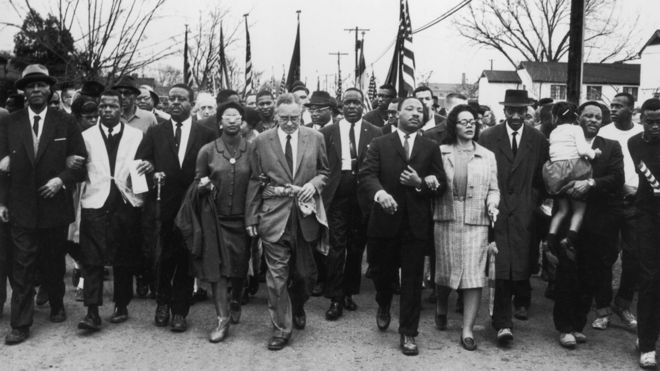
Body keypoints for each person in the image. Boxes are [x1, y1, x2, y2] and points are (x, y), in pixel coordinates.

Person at [0, 64, 87, 345]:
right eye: (30, 86)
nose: (36, 90)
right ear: (24, 91)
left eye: (41, 85)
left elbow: (80, 161)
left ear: (50, 90)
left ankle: (57, 302)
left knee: (52, 262)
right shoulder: (11, 122)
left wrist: (61, 180)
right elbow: (3, 166)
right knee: (22, 265)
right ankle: (20, 324)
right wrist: (3, 201)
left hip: (54, 205)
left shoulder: (65, 121)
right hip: (21, 205)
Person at [359, 96, 446, 355]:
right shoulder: (379, 143)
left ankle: (409, 332)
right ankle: (384, 303)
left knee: (412, 280)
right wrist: (380, 194)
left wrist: (420, 182)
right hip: (384, 223)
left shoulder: (430, 147)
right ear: (397, 114)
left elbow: (440, 183)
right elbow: (367, 175)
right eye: (410, 109)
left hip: (415, 226)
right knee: (383, 274)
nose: (415, 114)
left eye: (420, 110)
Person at [245, 93, 329, 351]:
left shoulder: (315, 138)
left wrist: (312, 186)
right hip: (274, 217)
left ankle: (297, 305)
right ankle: (282, 328)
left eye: (294, 117)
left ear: (301, 113)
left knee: (306, 275)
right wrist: (251, 216)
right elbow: (255, 180)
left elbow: (324, 172)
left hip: (304, 216)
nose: (290, 123)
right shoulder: (260, 141)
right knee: (276, 277)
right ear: (276, 116)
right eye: (284, 118)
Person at [135, 83, 215, 333]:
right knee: (163, 257)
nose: (175, 103)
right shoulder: (157, 132)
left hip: (193, 206)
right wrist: (149, 168)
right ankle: (162, 304)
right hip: (163, 205)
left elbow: (214, 168)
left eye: (181, 99)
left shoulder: (205, 134)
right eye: (171, 99)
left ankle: (180, 310)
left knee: (186, 258)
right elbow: (141, 161)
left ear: (191, 104)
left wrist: (206, 185)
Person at [551, 101, 624, 349]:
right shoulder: (565, 141)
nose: (592, 119)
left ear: (602, 121)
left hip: (597, 223)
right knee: (567, 275)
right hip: (569, 221)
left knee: (589, 277)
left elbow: (616, 178)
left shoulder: (611, 147)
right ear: (578, 118)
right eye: (587, 115)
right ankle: (564, 327)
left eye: (597, 116)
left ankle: (578, 325)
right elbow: (551, 172)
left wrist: (590, 184)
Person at [478, 89, 548, 346]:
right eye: (511, 110)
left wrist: (531, 202)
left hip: (524, 212)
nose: (516, 115)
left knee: (521, 265)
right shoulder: (488, 136)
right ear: (504, 111)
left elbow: (543, 178)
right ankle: (502, 323)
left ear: (528, 110)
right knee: (500, 266)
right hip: (496, 208)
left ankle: (519, 306)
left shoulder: (538, 139)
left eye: (521, 110)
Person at [76, 90, 145, 332]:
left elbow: (143, 164)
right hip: (95, 201)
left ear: (121, 108)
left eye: (112, 106)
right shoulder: (86, 136)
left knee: (123, 256)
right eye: (103, 106)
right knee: (91, 257)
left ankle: (121, 304)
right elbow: (79, 168)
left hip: (125, 201)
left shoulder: (136, 135)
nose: (107, 110)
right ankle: (92, 312)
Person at [432, 104, 499, 351]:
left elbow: (494, 188)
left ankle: (467, 329)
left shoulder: (487, 155)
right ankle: (441, 306)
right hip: (446, 218)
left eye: (472, 121)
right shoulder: (439, 152)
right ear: (453, 125)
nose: (470, 124)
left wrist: (493, 204)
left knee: (473, 276)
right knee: (444, 270)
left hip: (476, 221)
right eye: (463, 121)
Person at [320, 88, 381, 321]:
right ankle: (335, 297)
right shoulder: (329, 132)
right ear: (341, 107)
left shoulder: (375, 132)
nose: (352, 106)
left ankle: (348, 292)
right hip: (338, 194)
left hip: (363, 195)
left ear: (363, 106)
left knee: (356, 248)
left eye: (356, 102)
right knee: (337, 246)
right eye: (348, 103)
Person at [193, 101, 251, 342]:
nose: (232, 120)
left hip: (243, 219)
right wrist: (203, 186)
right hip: (215, 219)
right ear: (219, 122)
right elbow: (197, 182)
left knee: (238, 268)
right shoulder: (208, 150)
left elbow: (259, 181)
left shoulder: (253, 148)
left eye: (236, 116)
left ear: (242, 121)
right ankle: (222, 319)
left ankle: (235, 299)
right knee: (218, 271)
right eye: (227, 116)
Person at [594, 92, 642, 331]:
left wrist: (639, 190)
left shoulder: (643, 132)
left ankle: (622, 304)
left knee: (633, 256)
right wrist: (620, 185)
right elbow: (599, 168)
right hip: (610, 201)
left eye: (619, 106)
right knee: (605, 254)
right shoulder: (603, 133)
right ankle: (602, 308)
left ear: (632, 110)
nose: (612, 109)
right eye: (611, 105)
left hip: (637, 202)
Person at [542, 102, 600, 262]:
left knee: (562, 210)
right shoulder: (576, 129)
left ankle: (549, 238)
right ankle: (570, 238)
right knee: (579, 210)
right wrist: (594, 154)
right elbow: (582, 150)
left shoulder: (554, 132)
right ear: (576, 117)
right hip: (574, 169)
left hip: (555, 173)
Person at [628, 98, 660, 369]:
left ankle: (649, 335)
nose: (655, 126)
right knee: (650, 279)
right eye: (650, 121)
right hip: (648, 218)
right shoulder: (634, 143)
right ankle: (647, 343)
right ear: (641, 120)